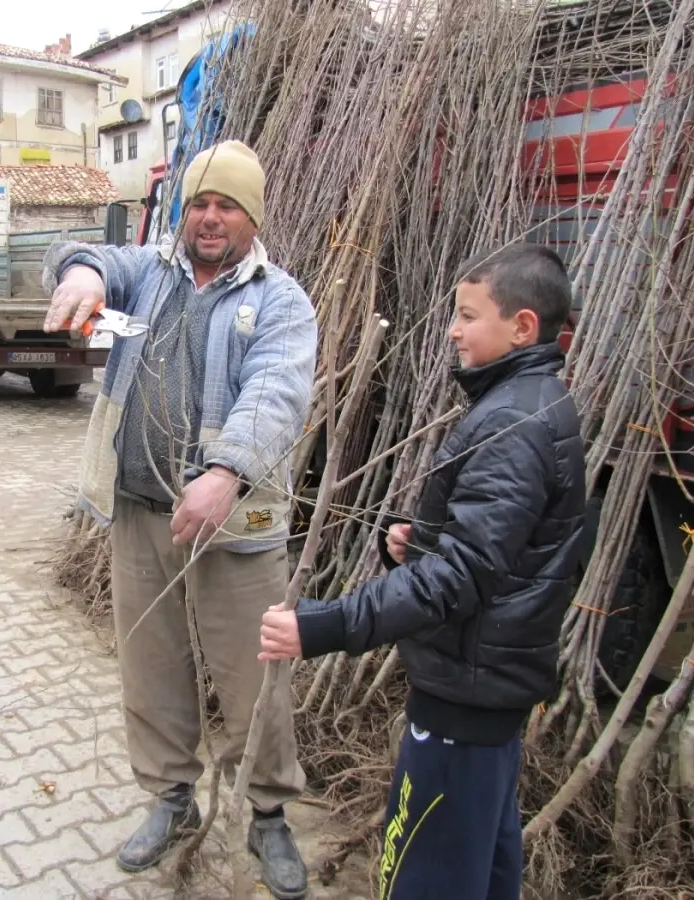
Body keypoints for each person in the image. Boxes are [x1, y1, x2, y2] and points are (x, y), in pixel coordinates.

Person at [258, 244, 588, 900]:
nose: (452, 330)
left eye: (469, 315)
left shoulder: (512, 425)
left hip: (463, 699)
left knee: (421, 874)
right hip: (488, 693)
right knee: (483, 870)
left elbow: (459, 579)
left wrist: (318, 626)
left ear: (522, 327)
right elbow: (499, 556)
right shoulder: (534, 401)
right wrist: (424, 542)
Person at [41, 141, 316, 899]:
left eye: (226, 204)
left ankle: (267, 815)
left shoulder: (280, 299)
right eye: (199, 202)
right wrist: (81, 273)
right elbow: (94, 258)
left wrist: (226, 470)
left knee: (254, 673)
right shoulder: (151, 278)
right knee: (151, 666)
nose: (210, 217)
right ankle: (169, 798)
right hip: (141, 511)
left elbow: (277, 392)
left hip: (235, 520)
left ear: (251, 217)